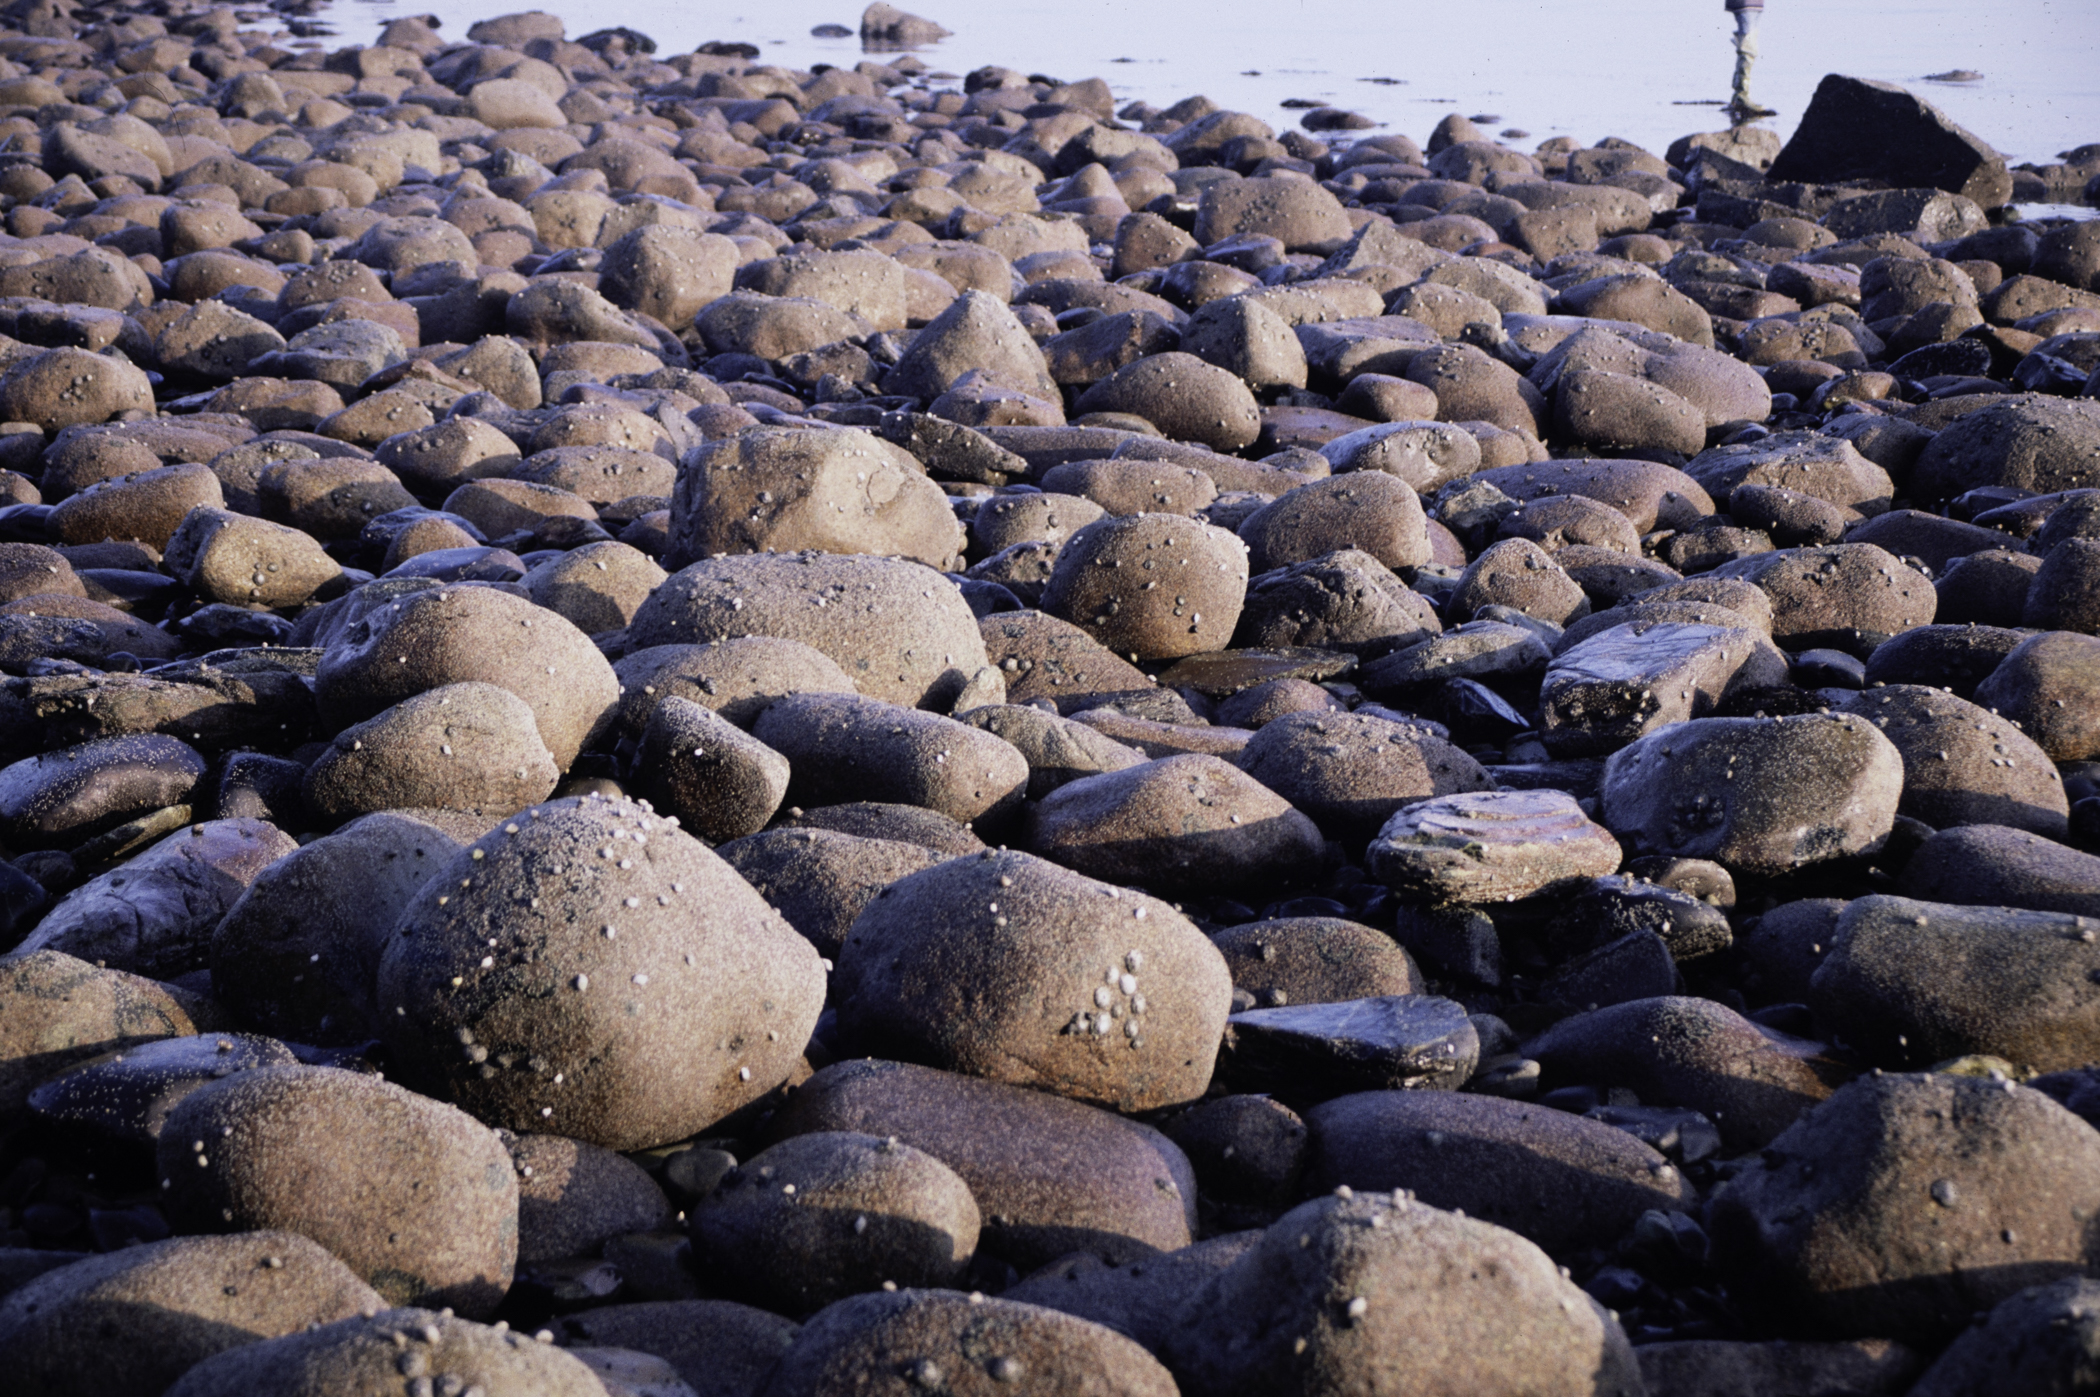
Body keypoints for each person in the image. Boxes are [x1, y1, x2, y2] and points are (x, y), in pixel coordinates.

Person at [1726, 0, 1775, 119]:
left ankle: (1740, 95)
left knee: (1748, 44)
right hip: (1746, 4)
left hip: (1754, 4)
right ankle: (1742, 95)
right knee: (1748, 46)